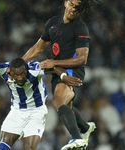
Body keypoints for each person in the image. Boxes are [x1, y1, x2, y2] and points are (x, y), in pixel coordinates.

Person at [22, 0, 99, 149]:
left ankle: (77, 138)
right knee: (65, 107)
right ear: (65, 3)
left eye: (77, 8)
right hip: (57, 71)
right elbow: (38, 48)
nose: (73, 9)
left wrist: (55, 63)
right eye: (71, 4)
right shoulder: (52, 23)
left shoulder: (80, 27)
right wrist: (19, 62)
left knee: (57, 102)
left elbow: (82, 59)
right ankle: (85, 127)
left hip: (72, 70)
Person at [0, 52, 83, 150]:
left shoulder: (34, 69)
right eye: (16, 75)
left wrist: (64, 76)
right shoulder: (3, 69)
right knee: (3, 146)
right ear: (10, 72)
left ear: (26, 70)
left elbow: (54, 68)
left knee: (29, 148)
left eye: (22, 74)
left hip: (37, 112)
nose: (20, 78)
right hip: (17, 111)